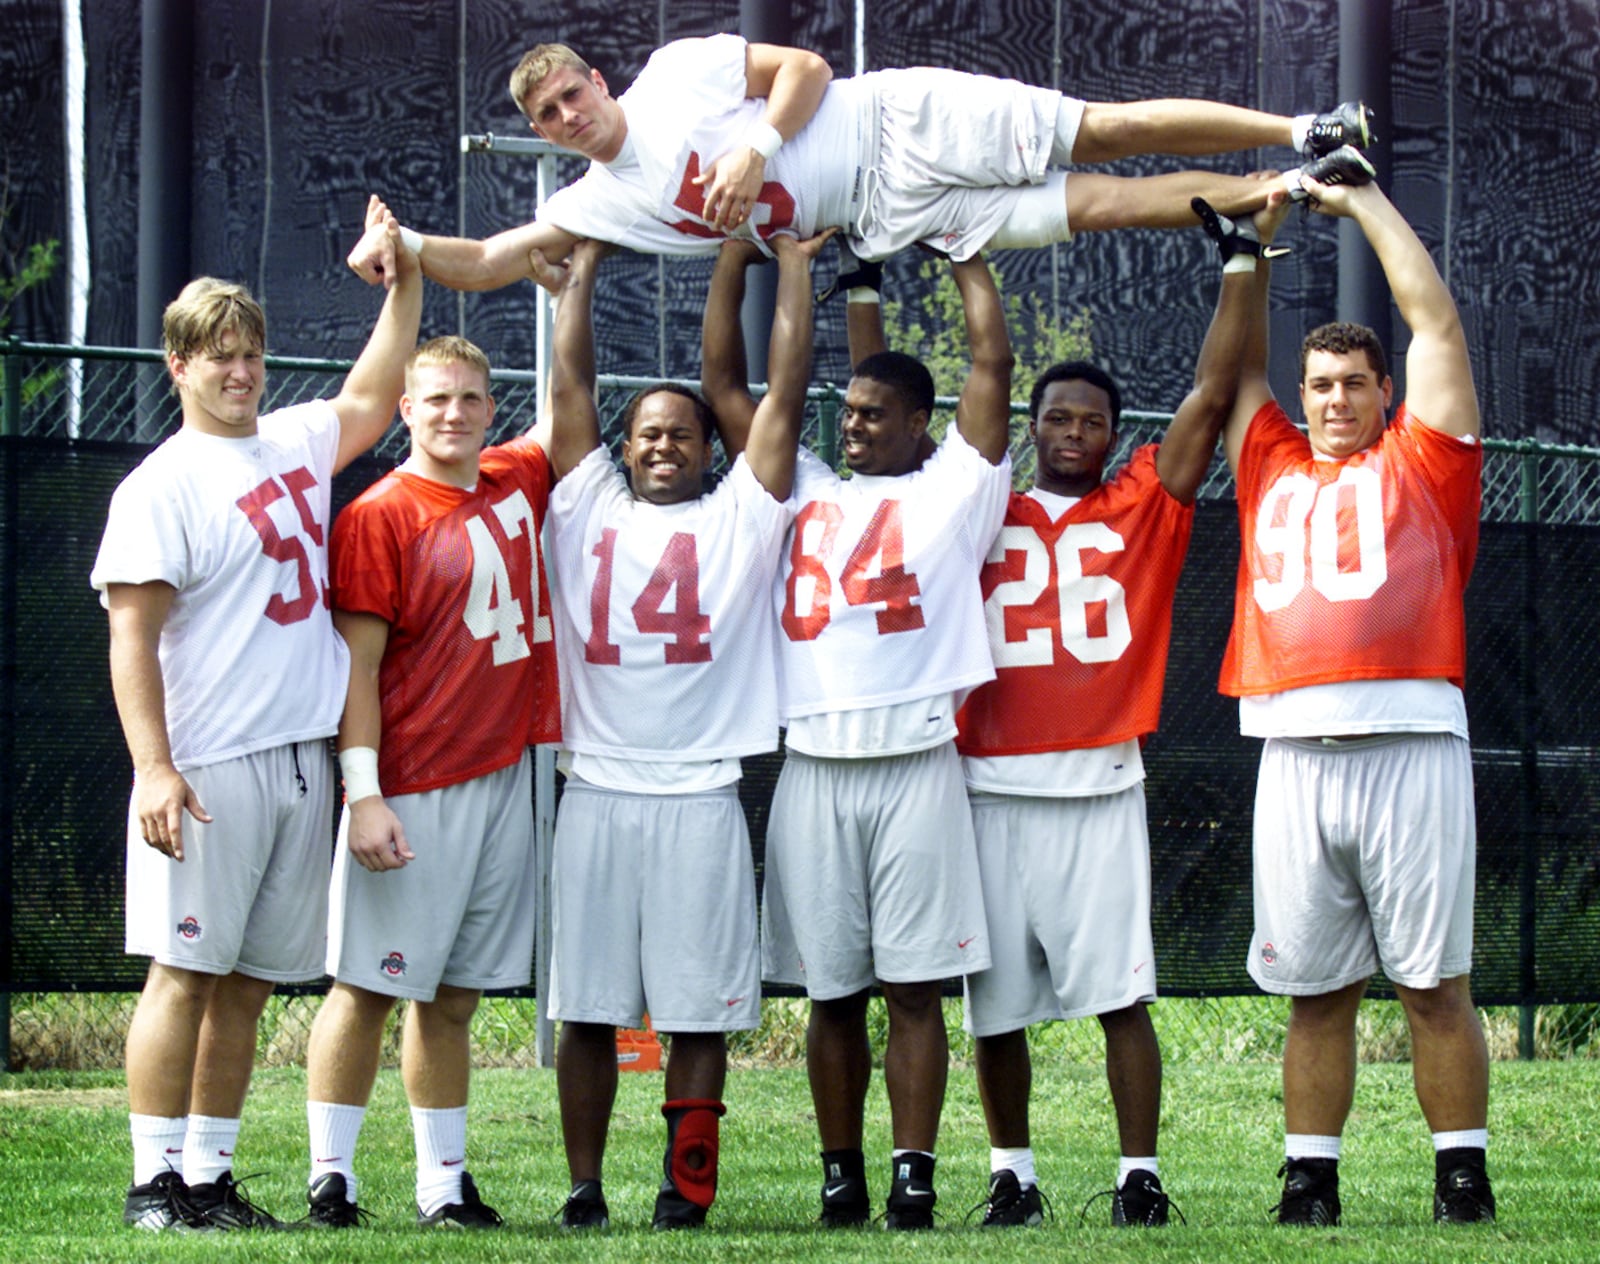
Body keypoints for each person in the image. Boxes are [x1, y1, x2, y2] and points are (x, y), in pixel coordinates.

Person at [949, 191, 1290, 1228]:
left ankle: (1139, 1172)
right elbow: (945, 392)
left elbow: (1209, 391)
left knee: (1118, 994)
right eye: (1056, 417)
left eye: (1092, 420)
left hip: (1099, 773)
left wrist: (1240, 268)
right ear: (1031, 427)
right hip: (988, 780)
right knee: (992, 1004)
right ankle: (1012, 1170)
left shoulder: (1143, 498)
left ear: (1111, 434)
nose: (1073, 432)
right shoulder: (977, 500)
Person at [91, 198, 422, 1231]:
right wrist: (153, 766)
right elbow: (131, 638)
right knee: (183, 972)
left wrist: (405, 274)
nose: (240, 371)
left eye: (250, 353)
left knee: (244, 984)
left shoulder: (286, 442)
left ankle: (208, 1175)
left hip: (297, 755)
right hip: (211, 760)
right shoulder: (160, 485)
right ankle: (153, 1185)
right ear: (178, 365)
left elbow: (374, 393)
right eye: (218, 356)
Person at [1216, 175, 1493, 1225]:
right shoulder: (1271, 464)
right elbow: (1235, 367)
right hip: (1291, 748)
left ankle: (1460, 1176)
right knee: (1314, 990)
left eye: (1353, 382)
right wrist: (1249, 248)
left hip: (1409, 737)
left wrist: (1364, 203)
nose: (1333, 398)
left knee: (1432, 982)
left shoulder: (1425, 461)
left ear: (1386, 393)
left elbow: (1433, 320)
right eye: (1319, 383)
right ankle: (1308, 1182)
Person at [535, 225, 820, 1230]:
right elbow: (568, 391)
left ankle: (685, 1186)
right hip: (598, 787)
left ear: (710, 450)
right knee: (588, 1002)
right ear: (625, 447)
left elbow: (780, 396)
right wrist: (580, 280)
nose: (664, 444)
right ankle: (582, 1188)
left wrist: (787, 267)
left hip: (701, 788)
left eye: (683, 435)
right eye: (648, 432)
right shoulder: (585, 504)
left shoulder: (742, 511)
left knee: (699, 1006)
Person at [345, 33, 1375, 288]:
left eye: (571, 94)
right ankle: (1294, 188)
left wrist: (753, 145)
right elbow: (486, 262)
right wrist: (402, 245)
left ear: (598, 82)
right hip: (890, 215)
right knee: (1101, 205)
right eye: (547, 114)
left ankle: (1302, 130)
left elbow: (803, 65)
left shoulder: (676, 74)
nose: (566, 115)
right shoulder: (596, 200)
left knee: (1097, 128)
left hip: (898, 124)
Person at [753, 249, 1013, 1229]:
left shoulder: (954, 487)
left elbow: (991, 372)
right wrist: (767, 261)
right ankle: (839, 1175)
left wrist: (968, 258)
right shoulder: (803, 486)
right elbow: (762, 384)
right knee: (830, 991)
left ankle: (912, 1174)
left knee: (913, 989)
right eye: (848, 411)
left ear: (918, 423)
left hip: (915, 765)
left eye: (871, 414)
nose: (850, 425)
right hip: (813, 764)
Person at [301, 329, 561, 1229]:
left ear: (493, 410)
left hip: (503, 774)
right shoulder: (379, 513)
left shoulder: (516, 477)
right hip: (414, 778)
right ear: (405, 411)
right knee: (370, 984)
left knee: (454, 997)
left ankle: (442, 1187)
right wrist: (363, 792)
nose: (453, 415)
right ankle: (330, 1177)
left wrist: (573, 285)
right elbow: (356, 670)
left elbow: (572, 406)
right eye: (435, 399)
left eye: (470, 399)